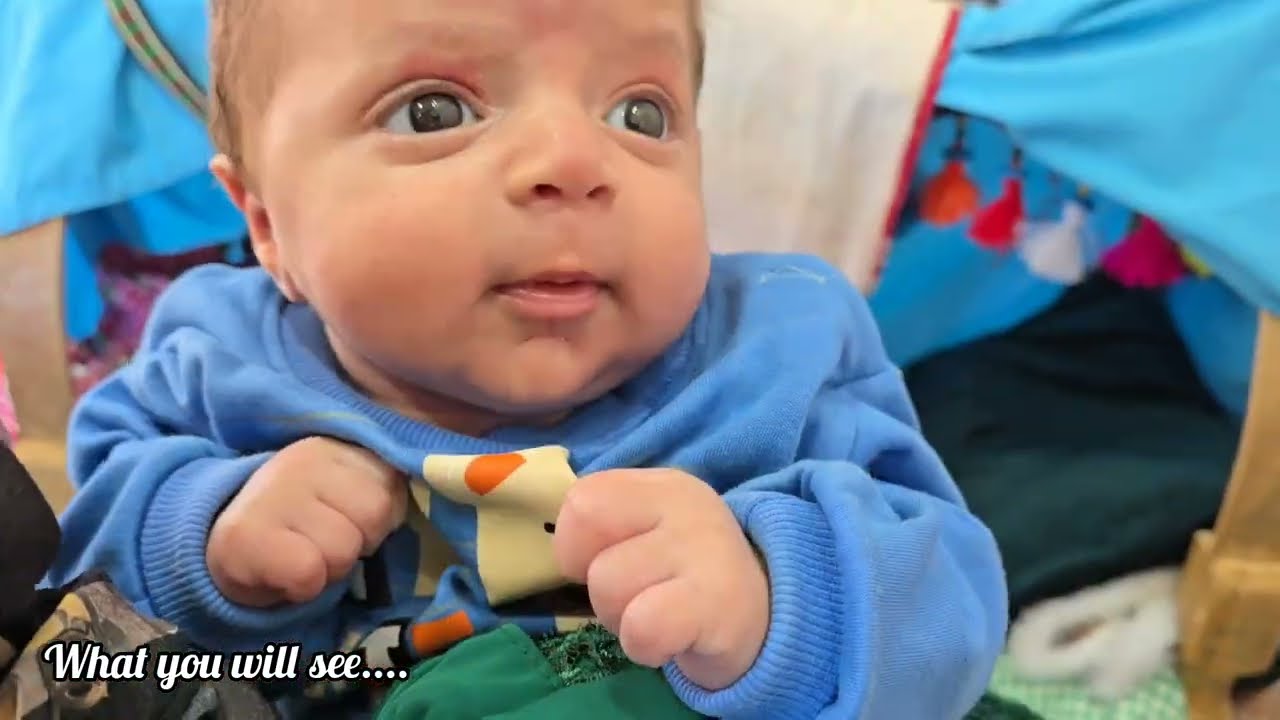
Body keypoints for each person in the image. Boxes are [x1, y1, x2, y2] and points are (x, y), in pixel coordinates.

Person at [45, 0, 1008, 717]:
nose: (573, 160)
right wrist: (211, 542)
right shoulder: (218, 361)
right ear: (266, 224)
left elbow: (951, 612)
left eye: (640, 114)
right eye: (433, 111)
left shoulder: (777, 350)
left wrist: (770, 596)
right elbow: (87, 600)